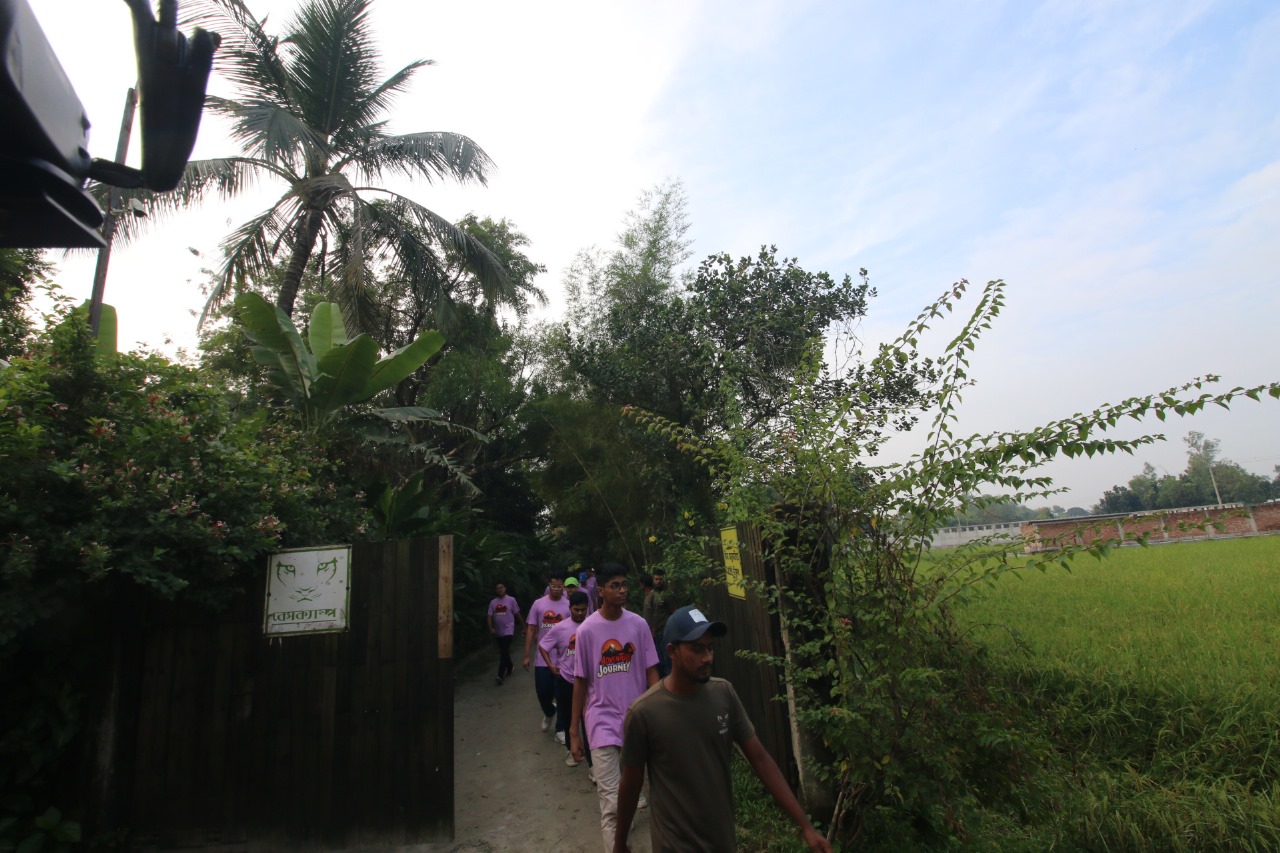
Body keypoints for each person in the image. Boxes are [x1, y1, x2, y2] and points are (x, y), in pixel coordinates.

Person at [613, 605, 832, 853]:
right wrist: (620, 843)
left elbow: (760, 759)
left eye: (710, 648)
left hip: (722, 841)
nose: (707, 657)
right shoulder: (644, 713)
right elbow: (631, 785)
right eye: (697, 649)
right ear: (672, 651)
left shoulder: (724, 694)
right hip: (673, 845)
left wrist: (805, 825)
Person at [570, 562, 659, 852]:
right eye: (615, 586)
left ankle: (624, 822)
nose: (622, 591)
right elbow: (580, 681)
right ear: (600, 591)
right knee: (610, 804)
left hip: (636, 721)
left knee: (628, 794)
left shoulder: (638, 625)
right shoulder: (587, 631)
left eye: (624, 585)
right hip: (601, 722)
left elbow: (652, 672)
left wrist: (660, 713)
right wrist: (574, 731)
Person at [538, 590, 590, 760]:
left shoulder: (592, 626)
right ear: (570, 608)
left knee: (588, 718)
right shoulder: (560, 628)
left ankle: (591, 757)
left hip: (589, 681)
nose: (580, 613)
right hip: (567, 680)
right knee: (568, 717)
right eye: (576, 609)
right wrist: (551, 665)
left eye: (583, 610)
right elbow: (543, 646)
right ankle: (570, 749)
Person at [524, 571, 572, 732]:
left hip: (563, 658)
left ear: (563, 587)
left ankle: (561, 729)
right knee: (543, 692)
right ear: (549, 586)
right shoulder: (538, 604)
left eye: (560, 586)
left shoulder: (568, 605)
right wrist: (526, 655)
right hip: (543, 658)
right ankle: (549, 711)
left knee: (562, 696)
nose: (557, 589)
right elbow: (531, 629)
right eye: (554, 586)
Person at [486, 581, 521, 685]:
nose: (499, 589)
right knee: (503, 651)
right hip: (498, 631)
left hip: (509, 629)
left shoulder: (511, 600)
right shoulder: (493, 602)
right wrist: (491, 627)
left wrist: (524, 627)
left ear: (505, 588)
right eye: (497, 588)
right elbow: (489, 616)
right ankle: (510, 666)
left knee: (504, 651)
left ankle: (500, 675)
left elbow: (517, 614)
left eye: (501, 587)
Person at [649, 569, 675, 678]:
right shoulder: (652, 594)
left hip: (665, 631)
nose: (658, 581)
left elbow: (673, 611)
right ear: (653, 580)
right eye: (656, 579)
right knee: (659, 660)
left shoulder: (667, 594)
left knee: (667, 659)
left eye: (660, 579)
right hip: (655, 632)